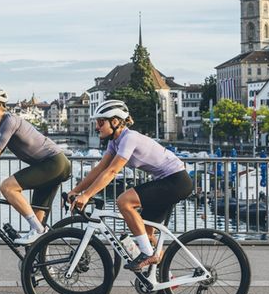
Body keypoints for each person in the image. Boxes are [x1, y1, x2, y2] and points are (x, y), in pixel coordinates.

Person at [67, 99, 194, 270]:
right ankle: (162, 281)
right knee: (147, 235)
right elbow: (99, 170)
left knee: (124, 201)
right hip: (168, 181)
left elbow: (112, 172)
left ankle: (149, 255)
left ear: (115, 121)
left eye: (100, 122)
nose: (97, 127)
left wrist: (87, 195)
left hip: (176, 181)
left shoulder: (129, 138)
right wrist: (76, 191)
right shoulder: (115, 142)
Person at [0, 87, 72, 243]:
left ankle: (38, 229)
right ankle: (42, 264)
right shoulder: (5, 125)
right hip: (51, 165)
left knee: (7, 187)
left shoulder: (9, 121)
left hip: (52, 164)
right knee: (37, 233)